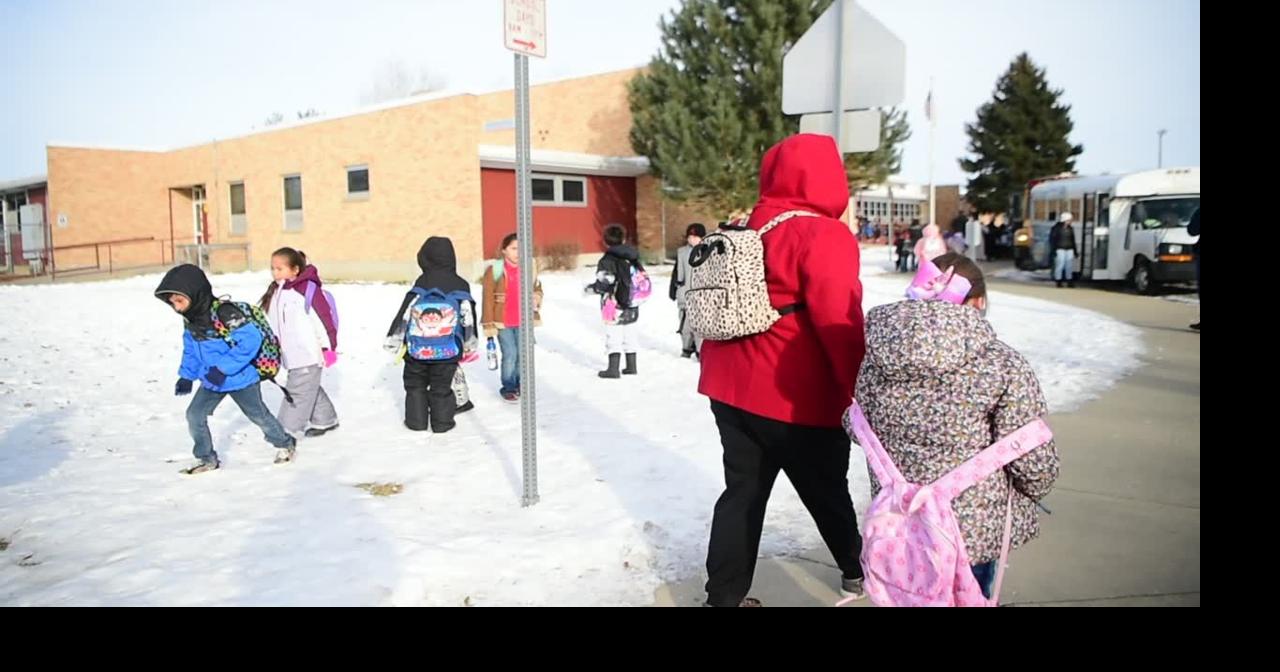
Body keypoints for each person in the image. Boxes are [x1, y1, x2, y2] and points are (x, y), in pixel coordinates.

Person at [698, 134, 867, 607]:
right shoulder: (822, 233)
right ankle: (856, 572)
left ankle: (724, 598)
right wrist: (857, 391)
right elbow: (840, 324)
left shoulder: (746, 226)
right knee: (827, 490)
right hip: (794, 395)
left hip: (728, 387)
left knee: (742, 493)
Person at [853, 253, 1059, 600]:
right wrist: (1035, 488)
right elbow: (1034, 462)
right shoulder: (1001, 365)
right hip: (969, 531)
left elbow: (858, 426)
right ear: (976, 303)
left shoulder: (875, 362)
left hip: (898, 526)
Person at [155, 264, 297, 474]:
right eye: (172, 302)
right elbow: (191, 350)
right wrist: (186, 376)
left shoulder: (224, 312)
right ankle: (206, 458)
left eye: (179, 301)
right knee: (194, 415)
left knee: (258, 415)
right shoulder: (190, 320)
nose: (176, 307)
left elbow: (250, 341)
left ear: (195, 293)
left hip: (240, 379)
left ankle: (285, 443)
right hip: (211, 380)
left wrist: (223, 369)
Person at [385, 237, 476, 433]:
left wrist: (394, 339)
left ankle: (416, 422)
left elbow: (405, 312)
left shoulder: (422, 282)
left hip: (417, 349)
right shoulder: (460, 284)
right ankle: (442, 424)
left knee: (415, 385)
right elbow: (468, 315)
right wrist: (469, 342)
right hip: (448, 349)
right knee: (441, 387)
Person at [260, 247, 340, 438]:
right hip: (291, 353)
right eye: (273, 268)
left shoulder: (306, 290)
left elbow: (323, 321)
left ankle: (286, 430)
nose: (275, 273)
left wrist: (330, 348)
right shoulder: (279, 290)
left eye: (280, 269)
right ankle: (325, 419)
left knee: (298, 390)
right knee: (307, 385)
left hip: (308, 352)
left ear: (295, 269)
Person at [480, 233, 543, 403]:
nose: (518, 253)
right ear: (504, 250)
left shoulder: (529, 267)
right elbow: (487, 297)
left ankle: (522, 384)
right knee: (510, 354)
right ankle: (508, 386)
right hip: (503, 322)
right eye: (514, 248)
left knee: (523, 354)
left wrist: (537, 296)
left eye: (522, 249)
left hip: (524, 321)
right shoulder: (496, 269)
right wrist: (488, 323)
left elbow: (537, 287)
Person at [587, 224, 644, 379]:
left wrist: (591, 289)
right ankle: (631, 366)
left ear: (605, 241)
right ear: (624, 239)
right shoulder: (632, 256)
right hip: (632, 302)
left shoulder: (607, 260)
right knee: (630, 333)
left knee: (613, 334)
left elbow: (605, 282)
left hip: (612, 303)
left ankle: (613, 369)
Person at [669, 223, 706, 358]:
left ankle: (700, 349)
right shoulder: (682, 252)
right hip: (684, 291)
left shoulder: (707, 251)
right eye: (690, 237)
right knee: (684, 323)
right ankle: (686, 347)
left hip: (701, 294)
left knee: (699, 324)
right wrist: (673, 289)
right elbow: (676, 272)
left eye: (695, 237)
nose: (692, 239)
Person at [1049, 212, 1078, 288]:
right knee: (1060, 265)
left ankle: (1069, 280)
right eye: (1069, 220)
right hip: (1060, 249)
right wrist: (1053, 250)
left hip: (1069, 249)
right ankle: (1058, 280)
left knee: (1069, 266)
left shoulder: (1070, 228)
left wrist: (1075, 251)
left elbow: (1073, 240)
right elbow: (1052, 240)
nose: (1070, 221)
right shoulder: (1056, 228)